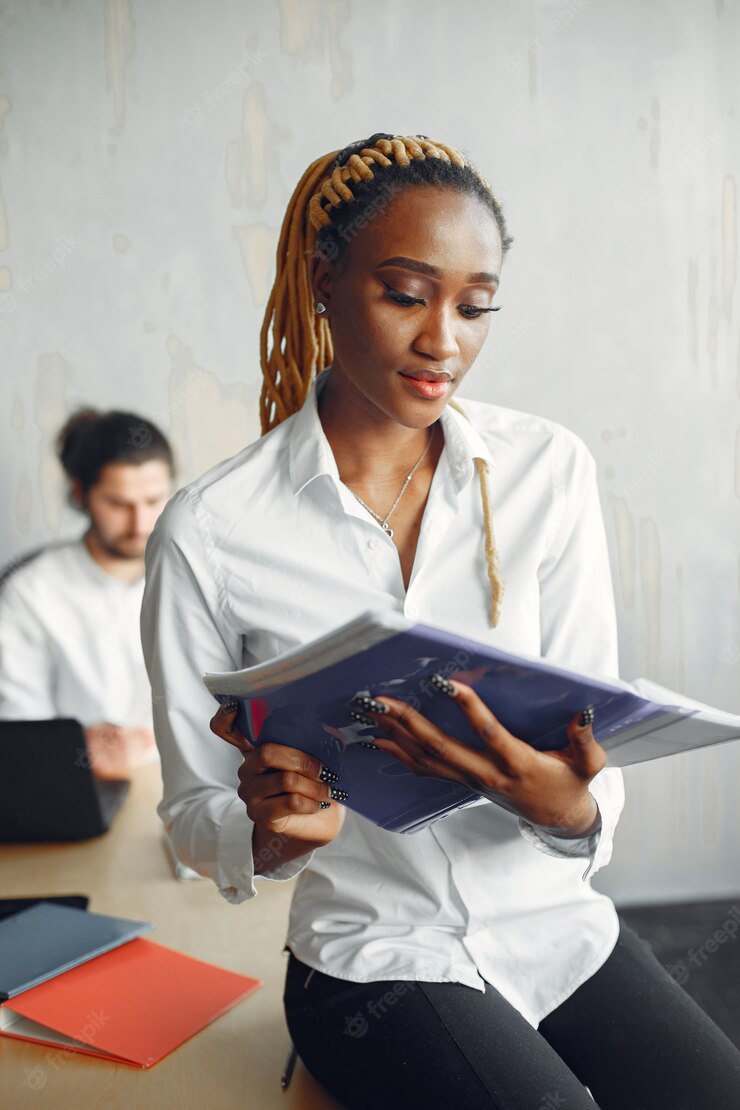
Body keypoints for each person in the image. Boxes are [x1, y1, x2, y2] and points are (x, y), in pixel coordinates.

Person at [141, 134, 740, 1108]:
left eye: (474, 305)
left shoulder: (548, 470)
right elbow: (188, 816)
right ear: (322, 282)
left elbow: (598, 724)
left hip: (556, 928)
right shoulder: (212, 532)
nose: (443, 342)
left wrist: (569, 809)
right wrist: (271, 835)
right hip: (372, 959)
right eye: (406, 294)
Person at [0, 408, 174, 779]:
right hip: (71, 790)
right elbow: (16, 731)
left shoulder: (196, 579)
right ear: (81, 493)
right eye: (117, 503)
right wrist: (77, 747)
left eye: (153, 500)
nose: (139, 523)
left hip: (196, 796)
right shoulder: (29, 592)